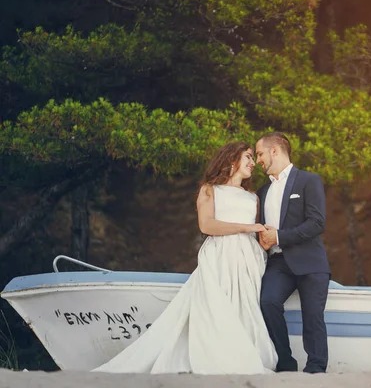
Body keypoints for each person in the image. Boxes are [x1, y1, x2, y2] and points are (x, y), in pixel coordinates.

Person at [93, 142, 278, 374]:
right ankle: (221, 356)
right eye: (248, 157)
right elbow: (207, 225)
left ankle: (247, 353)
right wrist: (248, 226)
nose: (253, 163)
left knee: (245, 306)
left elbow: (259, 231)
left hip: (248, 259)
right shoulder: (210, 189)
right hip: (219, 255)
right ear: (232, 159)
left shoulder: (253, 198)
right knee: (219, 306)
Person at [255, 132, 330, 374]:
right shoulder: (262, 192)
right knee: (268, 302)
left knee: (313, 315)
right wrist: (264, 240)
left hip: (310, 261)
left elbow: (317, 222)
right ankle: (285, 362)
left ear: (274, 151)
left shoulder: (309, 180)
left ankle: (316, 368)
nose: (258, 160)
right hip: (278, 263)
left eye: (260, 154)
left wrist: (279, 236)